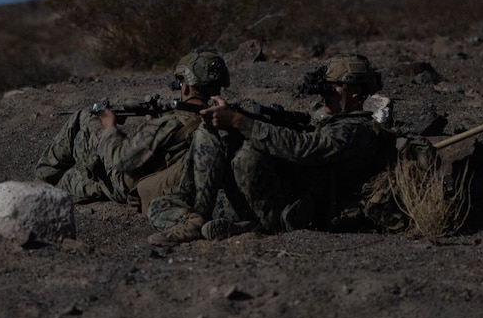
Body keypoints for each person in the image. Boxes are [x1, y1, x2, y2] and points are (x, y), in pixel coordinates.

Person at [146, 53, 392, 244]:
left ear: (356, 92)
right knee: (160, 205)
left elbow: (305, 148)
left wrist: (240, 122)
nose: (324, 94)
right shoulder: (326, 122)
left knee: (248, 155)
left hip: (293, 207)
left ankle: (235, 225)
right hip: (269, 197)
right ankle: (199, 217)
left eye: (333, 87)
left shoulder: (357, 129)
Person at [35, 49, 230, 212]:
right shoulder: (218, 120)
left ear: (186, 86)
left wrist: (110, 127)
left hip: (124, 181)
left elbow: (121, 160)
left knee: (82, 117)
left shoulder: (172, 123)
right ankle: (64, 186)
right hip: (151, 182)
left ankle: (42, 180)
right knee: (72, 180)